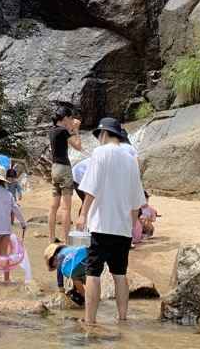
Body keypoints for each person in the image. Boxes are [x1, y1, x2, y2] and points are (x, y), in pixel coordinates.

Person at [76, 117, 144, 326]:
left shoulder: (100, 153)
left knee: (93, 273)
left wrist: (82, 214)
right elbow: (136, 201)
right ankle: (122, 318)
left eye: (99, 136)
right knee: (120, 274)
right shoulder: (131, 159)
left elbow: (91, 187)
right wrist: (132, 226)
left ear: (104, 134)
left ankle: (90, 321)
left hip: (101, 225)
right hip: (122, 229)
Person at [48, 107, 82, 243]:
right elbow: (78, 146)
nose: (71, 121)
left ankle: (51, 238)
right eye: (70, 118)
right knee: (66, 207)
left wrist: (71, 129)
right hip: (64, 168)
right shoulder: (63, 131)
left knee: (53, 206)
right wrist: (76, 130)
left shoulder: (52, 130)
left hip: (54, 168)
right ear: (66, 118)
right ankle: (66, 239)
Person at [45, 241, 86, 306]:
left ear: (53, 257)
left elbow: (59, 272)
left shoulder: (59, 256)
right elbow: (74, 265)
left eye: (51, 264)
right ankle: (95, 296)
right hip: (88, 258)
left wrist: (61, 287)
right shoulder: (67, 251)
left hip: (81, 262)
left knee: (75, 278)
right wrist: (74, 288)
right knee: (87, 280)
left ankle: (86, 298)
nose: (54, 266)